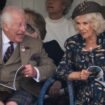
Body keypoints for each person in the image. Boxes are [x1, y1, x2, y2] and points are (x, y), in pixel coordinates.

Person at [0, 6, 56, 105]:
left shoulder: (35, 44)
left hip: (22, 89)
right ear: (5, 26)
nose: (23, 29)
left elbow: (51, 67)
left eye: (25, 25)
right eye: (19, 25)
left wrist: (35, 72)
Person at [55, 1, 105, 105]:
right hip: (84, 96)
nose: (80, 28)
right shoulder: (73, 43)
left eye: (85, 23)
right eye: (78, 23)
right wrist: (78, 75)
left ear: (96, 23)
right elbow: (61, 71)